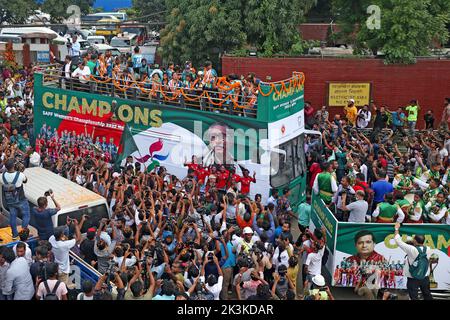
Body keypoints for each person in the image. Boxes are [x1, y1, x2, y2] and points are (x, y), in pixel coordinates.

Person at [394, 222, 433, 300]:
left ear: (415, 241)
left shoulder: (412, 249)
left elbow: (398, 241)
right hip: (424, 276)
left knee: (413, 297)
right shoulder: (429, 249)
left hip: (413, 277)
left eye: (413, 239)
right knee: (427, 295)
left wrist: (396, 228)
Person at [49, 220, 83, 288]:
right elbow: (79, 238)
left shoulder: (51, 239)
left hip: (56, 266)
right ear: (61, 235)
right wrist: (76, 225)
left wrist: (66, 225)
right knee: (62, 288)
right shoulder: (64, 245)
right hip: (63, 270)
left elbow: (59, 235)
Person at [2, 158, 30, 240]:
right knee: (26, 215)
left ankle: (14, 234)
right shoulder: (20, 175)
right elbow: (25, 181)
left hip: (9, 200)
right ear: (14, 165)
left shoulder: (2, 176)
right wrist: (20, 171)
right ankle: (23, 234)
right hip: (20, 199)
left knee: (13, 216)